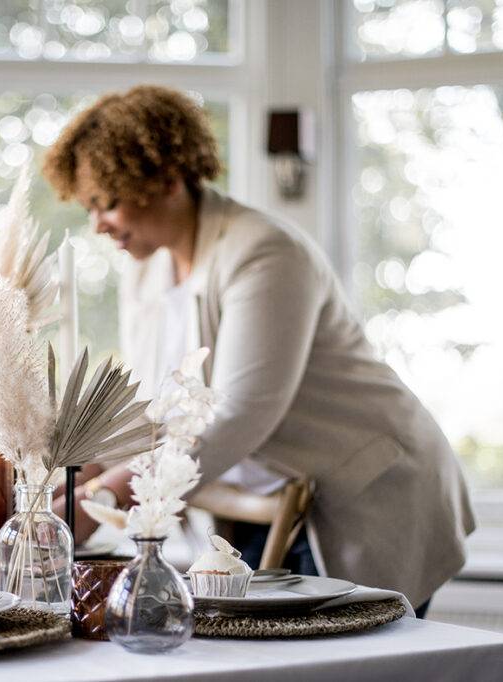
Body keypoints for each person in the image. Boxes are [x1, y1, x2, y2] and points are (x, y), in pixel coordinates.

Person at [43, 84, 475, 615]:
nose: (97, 224)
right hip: (266, 504)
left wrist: (106, 495)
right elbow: (160, 407)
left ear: (166, 177)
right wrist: (79, 467)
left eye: (106, 202)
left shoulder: (264, 252)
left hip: (368, 492)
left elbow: (239, 413)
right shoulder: (147, 270)